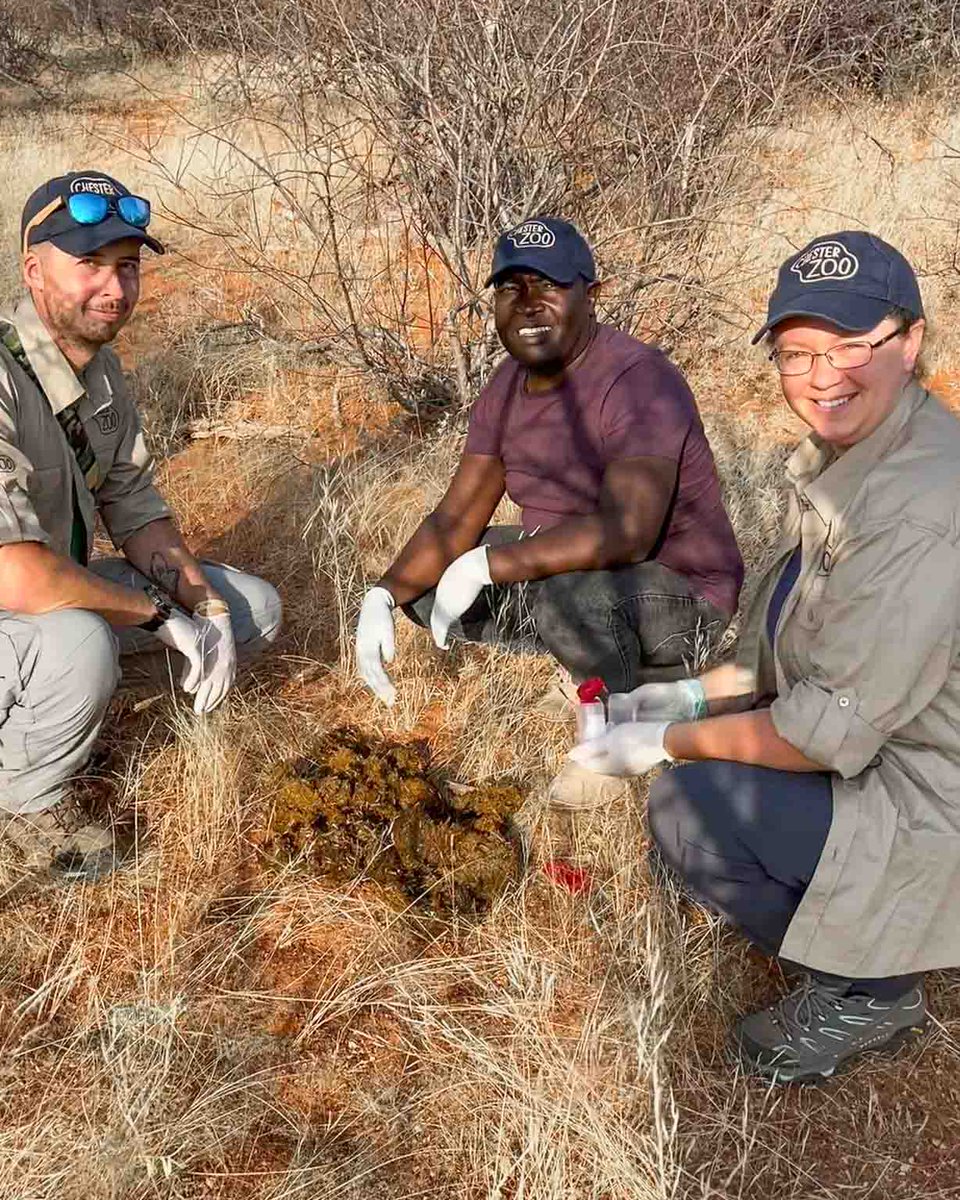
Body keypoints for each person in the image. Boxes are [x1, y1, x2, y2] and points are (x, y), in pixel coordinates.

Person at [570, 230, 955, 1084]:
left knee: (689, 805)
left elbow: (822, 732)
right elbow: (777, 657)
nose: (823, 376)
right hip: (896, 746)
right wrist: (683, 703)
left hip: (934, 793)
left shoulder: (919, 508)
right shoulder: (857, 459)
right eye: (797, 352)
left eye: (853, 344)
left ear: (912, 341)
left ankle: (871, 990)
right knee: (701, 762)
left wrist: (665, 744)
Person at [355, 216, 743, 734]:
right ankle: (594, 666)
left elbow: (627, 533)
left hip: (681, 591)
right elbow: (457, 516)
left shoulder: (639, 380)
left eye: (552, 285)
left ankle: (626, 718)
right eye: (511, 288)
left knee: (567, 599)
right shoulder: (509, 382)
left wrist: (485, 567)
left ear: (592, 294)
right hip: (581, 573)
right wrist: (382, 595)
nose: (529, 303)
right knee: (424, 586)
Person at [0, 170, 282, 882]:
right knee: (76, 640)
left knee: (254, 611)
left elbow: (135, 508)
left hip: (32, 612)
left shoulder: (101, 374)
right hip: (25, 602)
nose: (114, 287)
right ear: (34, 270)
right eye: (88, 262)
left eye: (126, 266)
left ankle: (57, 712)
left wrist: (201, 605)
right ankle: (23, 809)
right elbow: (19, 575)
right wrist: (156, 614)